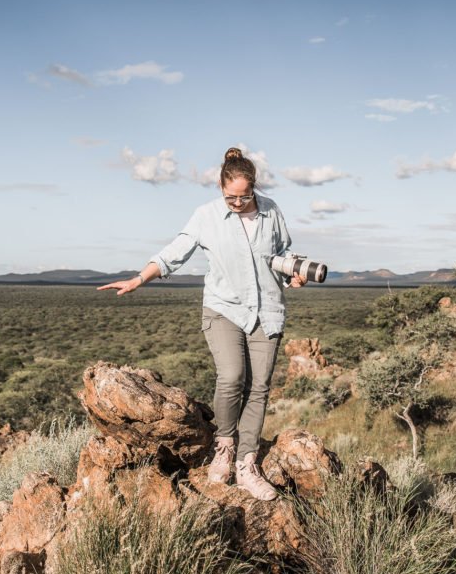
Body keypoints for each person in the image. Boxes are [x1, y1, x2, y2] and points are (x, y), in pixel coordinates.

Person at [98, 147, 305, 500]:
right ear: (220, 187)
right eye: (230, 197)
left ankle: (247, 463)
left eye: (243, 197)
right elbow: (174, 252)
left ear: (253, 187)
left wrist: (293, 274)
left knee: (259, 388)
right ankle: (224, 445)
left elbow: (281, 253)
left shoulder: (271, 210)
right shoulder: (206, 215)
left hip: (266, 310)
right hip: (223, 308)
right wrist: (138, 279)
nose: (237, 203)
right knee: (232, 377)